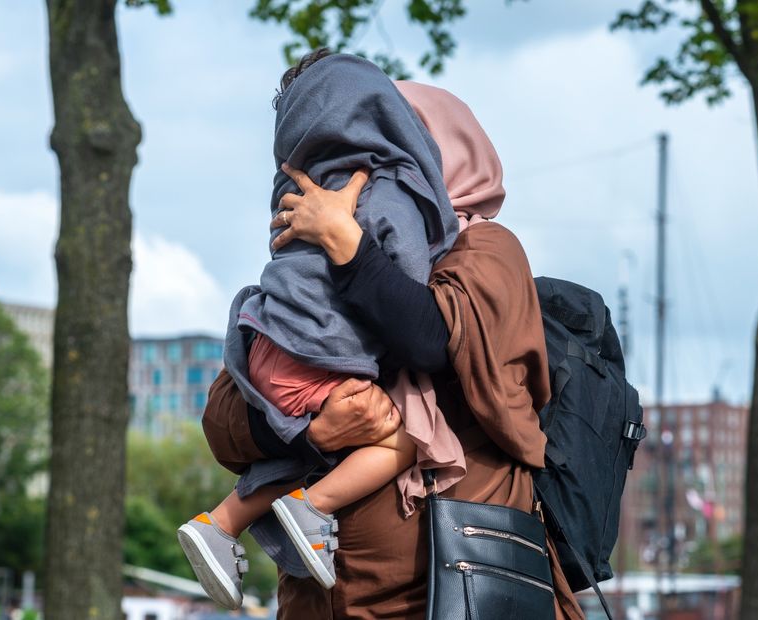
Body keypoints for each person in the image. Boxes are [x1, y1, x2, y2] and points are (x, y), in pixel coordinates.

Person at [202, 78, 586, 619]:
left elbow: (433, 343)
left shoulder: (486, 250)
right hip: (323, 603)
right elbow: (223, 422)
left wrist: (349, 247)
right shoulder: (302, 269)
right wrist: (309, 429)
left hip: (445, 594)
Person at [175, 51, 467, 610]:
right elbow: (420, 315)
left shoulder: (299, 192)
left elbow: (437, 344)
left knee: (310, 438)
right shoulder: (391, 193)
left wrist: (308, 435)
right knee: (409, 433)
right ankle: (312, 509)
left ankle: (222, 524)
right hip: (366, 592)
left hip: (263, 345)